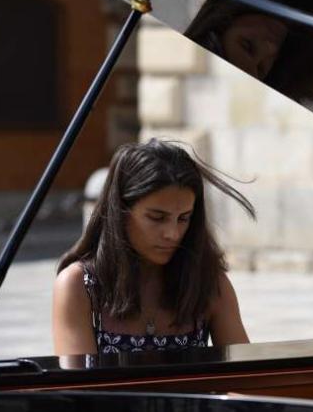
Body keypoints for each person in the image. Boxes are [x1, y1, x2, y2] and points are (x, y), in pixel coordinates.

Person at [52, 139, 254, 356]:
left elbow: (244, 374)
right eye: (157, 218)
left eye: (183, 218)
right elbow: (80, 387)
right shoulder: (79, 287)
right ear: (120, 211)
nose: (173, 234)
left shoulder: (210, 284)